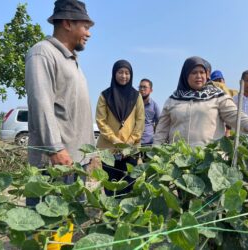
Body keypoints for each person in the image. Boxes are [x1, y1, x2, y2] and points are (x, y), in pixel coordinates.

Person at [25, 0, 95, 206]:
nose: (88, 33)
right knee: (48, 230)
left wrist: (88, 155)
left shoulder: (71, 60)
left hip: (75, 161)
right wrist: (55, 148)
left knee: (68, 228)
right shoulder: (42, 53)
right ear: (67, 23)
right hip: (57, 162)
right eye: (85, 27)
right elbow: (41, 103)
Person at [153, 56, 248, 147]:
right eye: (194, 72)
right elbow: (161, 131)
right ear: (185, 75)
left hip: (209, 158)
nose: (199, 76)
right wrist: (155, 152)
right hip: (178, 158)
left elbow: (233, 114)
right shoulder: (173, 99)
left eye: (202, 72)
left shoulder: (217, 95)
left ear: (207, 75)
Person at [96, 60, 145, 196]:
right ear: (114, 74)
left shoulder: (136, 96)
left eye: (127, 73)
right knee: (110, 184)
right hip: (108, 149)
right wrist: (115, 140)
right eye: (120, 72)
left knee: (129, 184)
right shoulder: (105, 95)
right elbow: (101, 120)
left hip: (131, 150)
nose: (124, 76)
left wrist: (129, 142)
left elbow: (140, 120)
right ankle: (111, 215)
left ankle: (126, 216)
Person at [138, 78, 161, 146]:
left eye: (144, 87)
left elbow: (159, 124)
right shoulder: (133, 105)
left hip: (149, 143)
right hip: (133, 143)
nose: (142, 89)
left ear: (151, 90)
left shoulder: (154, 106)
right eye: (140, 87)